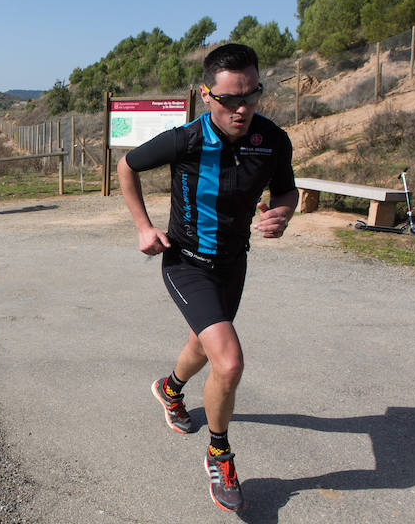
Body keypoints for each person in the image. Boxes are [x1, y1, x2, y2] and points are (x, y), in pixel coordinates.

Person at [117, 44, 298, 513]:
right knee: (230, 360)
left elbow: (286, 190)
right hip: (186, 262)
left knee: (205, 342)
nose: (242, 109)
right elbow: (127, 165)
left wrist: (282, 213)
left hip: (234, 263)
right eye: (229, 99)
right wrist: (143, 227)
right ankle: (220, 454)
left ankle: (170, 388)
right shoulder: (187, 139)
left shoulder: (272, 139)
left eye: (251, 96)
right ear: (206, 95)